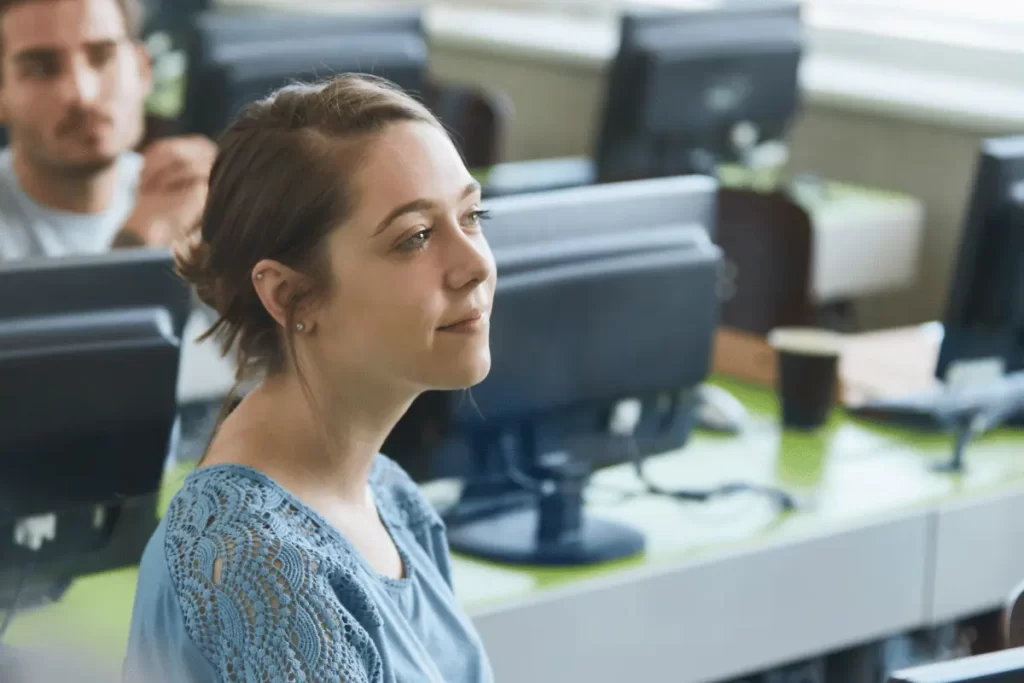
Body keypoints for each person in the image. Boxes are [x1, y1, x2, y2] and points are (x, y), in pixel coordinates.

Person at [124, 73, 496, 683]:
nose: (476, 263)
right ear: (291, 296)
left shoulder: (388, 493)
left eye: (472, 215)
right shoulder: (259, 562)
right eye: (416, 237)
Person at [0, 0, 215, 260]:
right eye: (41, 69)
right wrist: (138, 247)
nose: (82, 93)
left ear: (142, 70)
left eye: (103, 57)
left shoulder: (182, 193)